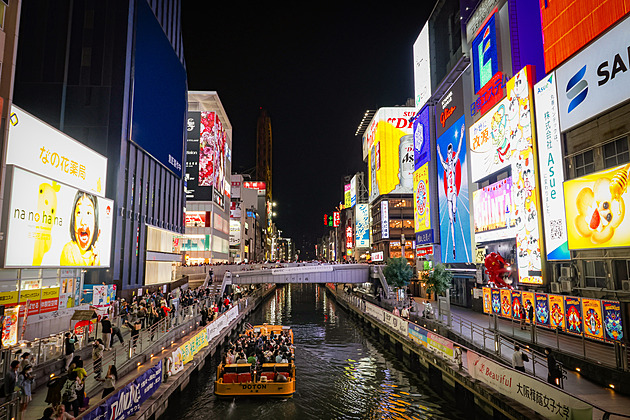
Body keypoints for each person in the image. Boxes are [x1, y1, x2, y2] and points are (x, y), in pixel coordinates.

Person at [437, 122, 464, 260]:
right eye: (448, 152)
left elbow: (459, 149)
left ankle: (454, 212)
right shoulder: (447, 166)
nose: (450, 154)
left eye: (450, 152)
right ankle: (453, 246)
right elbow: (441, 159)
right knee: (449, 219)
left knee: (454, 209)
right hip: (448, 192)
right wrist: (438, 151)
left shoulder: (453, 164)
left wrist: (461, 136)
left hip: (453, 191)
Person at [60, 191, 101, 266]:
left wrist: (96, 264)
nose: (83, 221)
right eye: (79, 212)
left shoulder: (95, 254)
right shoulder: (69, 251)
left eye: (88, 213)